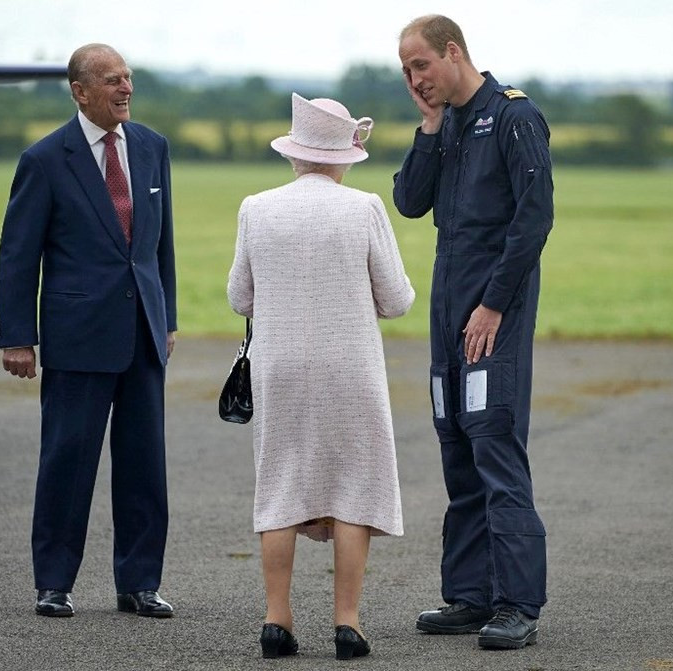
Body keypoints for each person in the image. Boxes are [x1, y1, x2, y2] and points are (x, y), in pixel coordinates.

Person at [227, 93, 415, 660]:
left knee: (280, 482)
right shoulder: (364, 209)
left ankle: (276, 619)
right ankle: (348, 623)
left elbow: (240, 295)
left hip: (278, 365)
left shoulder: (255, 207)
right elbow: (398, 298)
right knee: (355, 486)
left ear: (294, 153)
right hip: (350, 365)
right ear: (344, 156)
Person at [0, 43, 177, 619]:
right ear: (80, 91)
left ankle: (139, 583)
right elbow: (18, 255)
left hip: (143, 333)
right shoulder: (46, 159)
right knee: (67, 463)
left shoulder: (151, 147)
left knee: (145, 466)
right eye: (111, 80)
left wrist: (166, 316)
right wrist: (17, 337)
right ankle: (53, 582)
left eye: (128, 78)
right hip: (77, 337)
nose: (125, 89)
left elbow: (159, 244)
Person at [392, 15, 554, 650]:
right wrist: (430, 125)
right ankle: (469, 595)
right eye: (405, 72)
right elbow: (409, 200)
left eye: (421, 66)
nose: (415, 79)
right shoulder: (449, 123)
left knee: (494, 447)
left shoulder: (514, 117)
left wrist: (493, 306)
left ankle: (518, 604)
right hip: (446, 314)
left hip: (495, 317)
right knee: (456, 444)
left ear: (452, 52)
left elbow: (534, 219)